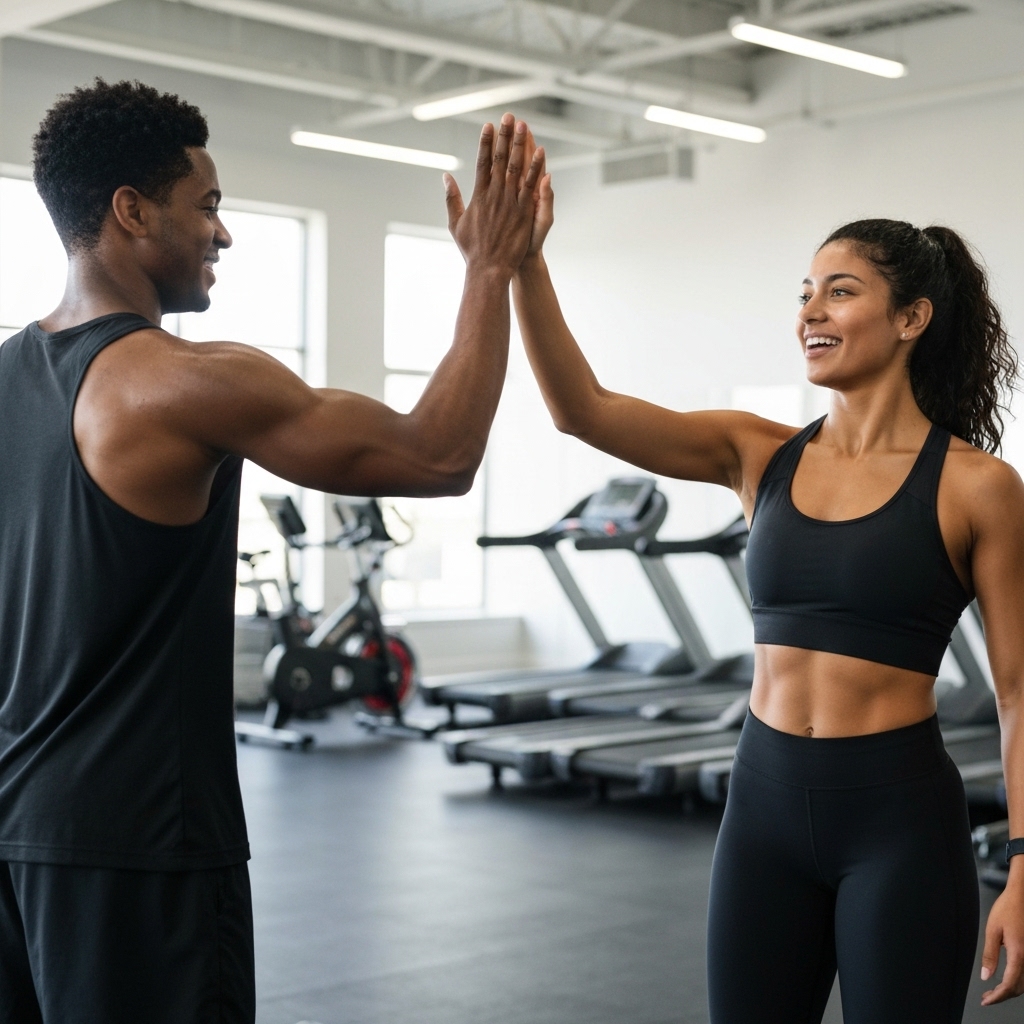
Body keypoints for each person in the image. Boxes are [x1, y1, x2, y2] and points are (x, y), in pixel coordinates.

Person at [0, 78, 544, 1023]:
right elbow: (440, 454)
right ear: (132, 212)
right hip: (142, 842)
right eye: (204, 205)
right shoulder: (182, 382)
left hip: (14, 827)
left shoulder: (3, 377)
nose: (223, 232)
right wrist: (489, 269)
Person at [511, 179, 1024, 1020]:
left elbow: (1018, 692)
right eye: (805, 293)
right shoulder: (757, 453)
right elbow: (582, 410)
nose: (811, 311)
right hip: (764, 808)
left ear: (912, 319)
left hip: (898, 824)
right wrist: (525, 262)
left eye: (841, 290)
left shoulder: (978, 487)